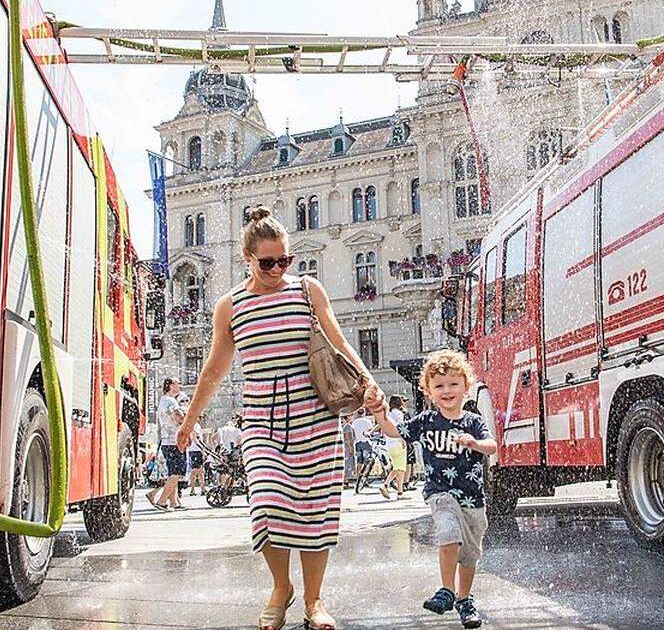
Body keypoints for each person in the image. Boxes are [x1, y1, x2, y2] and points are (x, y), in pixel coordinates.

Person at [175, 206, 383, 630]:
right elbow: (214, 369)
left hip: (316, 414)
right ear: (247, 259)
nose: (277, 268)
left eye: (284, 260)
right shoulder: (230, 306)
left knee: (316, 509)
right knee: (268, 503)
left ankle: (314, 600)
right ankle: (279, 586)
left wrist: (368, 381)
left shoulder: (308, 291)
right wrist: (189, 419)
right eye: (267, 262)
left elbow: (340, 339)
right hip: (262, 418)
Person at [370, 350, 496, 629]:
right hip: (441, 493)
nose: (447, 390)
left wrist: (474, 443)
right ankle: (446, 591)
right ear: (428, 390)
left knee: (470, 555)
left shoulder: (473, 422)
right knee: (448, 533)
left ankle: (464, 599)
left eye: (453, 384)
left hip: (473, 498)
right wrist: (380, 414)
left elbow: (492, 446)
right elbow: (395, 431)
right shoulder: (426, 421)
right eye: (439, 385)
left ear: (466, 386)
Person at [147, 378, 187, 511]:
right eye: (177, 383)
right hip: (174, 441)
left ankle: (175, 502)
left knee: (172, 473)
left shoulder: (163, 400)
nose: (180, 385)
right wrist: (187, 419)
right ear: (170, 386)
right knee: (177, 472)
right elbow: (179, 418)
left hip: (166, 441)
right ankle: (162, 501)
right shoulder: (171, 401)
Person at [379, 396, 409, 500]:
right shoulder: (399, 414)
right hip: (398, 442)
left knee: (398, 468)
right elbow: (400, 428)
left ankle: (395, 490)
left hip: (389, 444)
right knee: (400, 469)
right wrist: (404, 440)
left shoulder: (388, 414)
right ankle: (389, 486)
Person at [187, 420, 207, 496]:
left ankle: (202, 488)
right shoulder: (194, 425)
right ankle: (193, 489)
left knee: (200, 471)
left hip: (195, 450)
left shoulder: (196, 425)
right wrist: (202, 450)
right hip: (196, 450)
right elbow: (196, 438)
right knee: (196, 471)